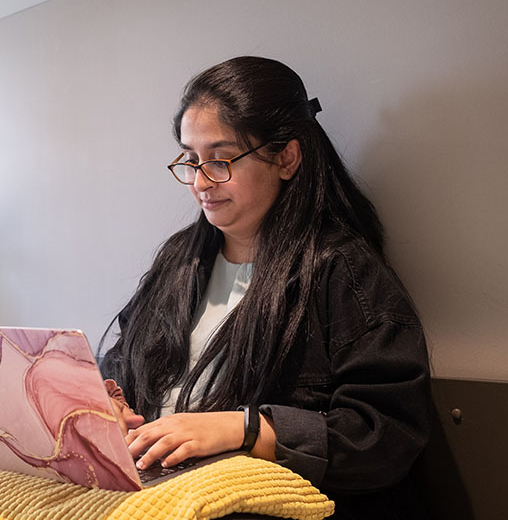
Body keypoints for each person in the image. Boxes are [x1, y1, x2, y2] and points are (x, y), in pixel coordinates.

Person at [99, 56, 432, 519]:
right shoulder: (180, 261)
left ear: (287, 158)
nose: (200, 182)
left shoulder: (341, 270)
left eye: (220, 160)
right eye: (191, 160)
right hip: (163, 495)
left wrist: (245, 429)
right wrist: (107, 407)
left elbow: (383, 436)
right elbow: (119, 363)